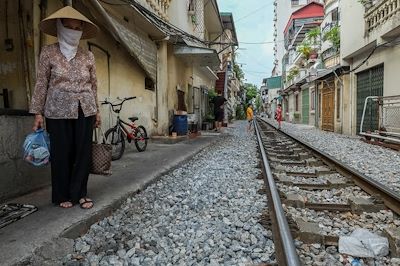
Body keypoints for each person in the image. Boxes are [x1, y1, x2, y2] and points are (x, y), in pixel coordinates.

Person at [29, 6, 99, 209]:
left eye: (78, 28)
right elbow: (41, 83)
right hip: (56, 110)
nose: (73, 31)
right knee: (61, 153)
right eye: (68, 27)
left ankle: (81, 193)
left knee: (82, 153)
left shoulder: (88, 56)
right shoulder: (49, 53)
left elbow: (94, 85)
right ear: (60, 28)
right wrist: (38, 113)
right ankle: (62, 194)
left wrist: (98, 112)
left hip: (85, 109)